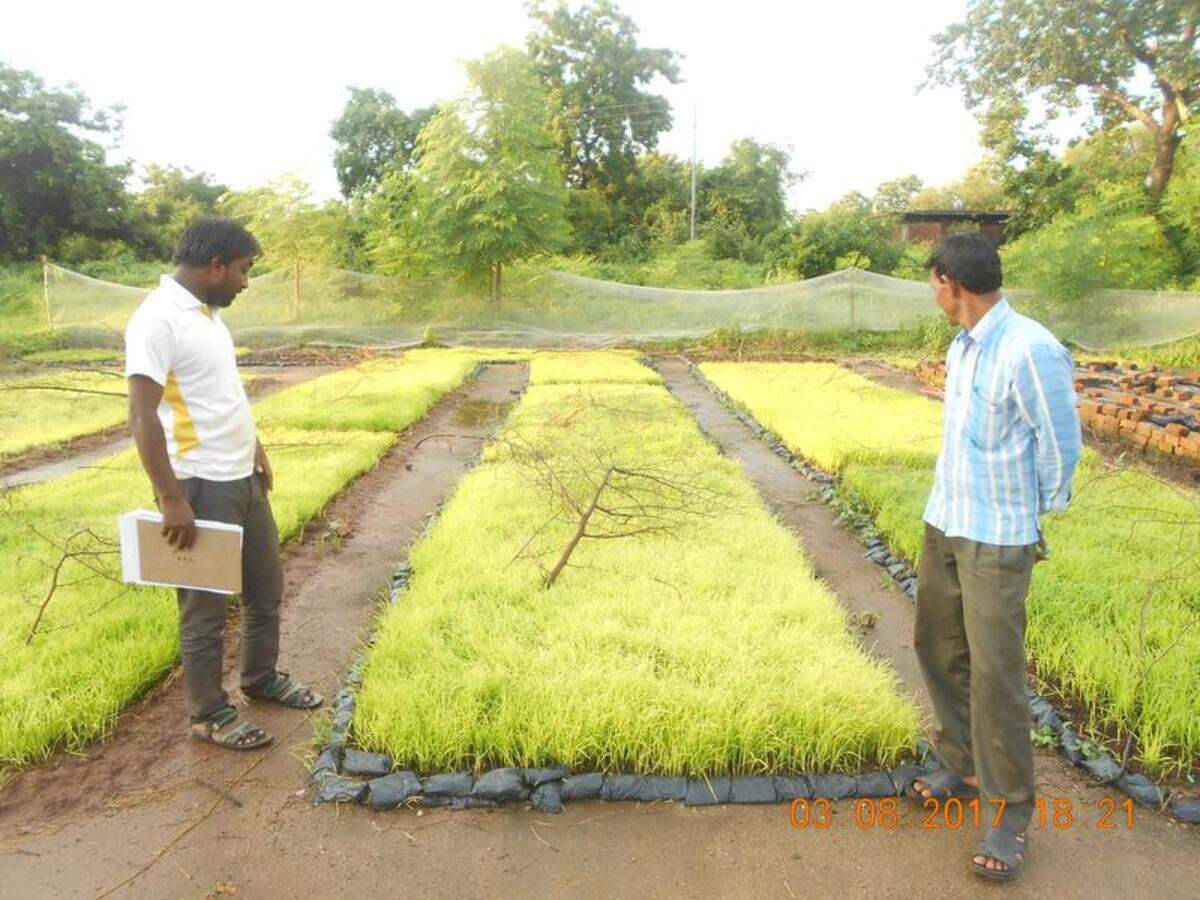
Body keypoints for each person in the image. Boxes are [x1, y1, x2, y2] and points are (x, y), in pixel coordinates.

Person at [908, 232, 1081, 881]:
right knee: (935, 643)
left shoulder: (1029, 349)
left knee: (995, 673)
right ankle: (960, 762)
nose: (933, 294)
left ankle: (1009, 815)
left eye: (934, 283)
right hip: (946, 519)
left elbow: (1060, 445)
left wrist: (1029, 520)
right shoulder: (963, 346)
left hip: (997, 535)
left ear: (952, 283)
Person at [125, 216, 322, 751]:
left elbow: (223, 394)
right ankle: (209, 713)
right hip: (200, 484)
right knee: (205, 608)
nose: (245, 281)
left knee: (265, 587)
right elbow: (142, 414)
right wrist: (170, 496)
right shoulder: (157, 319)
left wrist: (255, 449)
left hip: (242, 477)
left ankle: (260, 677)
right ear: (216, 266)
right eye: (243, 269)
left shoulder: (209, 316)